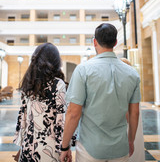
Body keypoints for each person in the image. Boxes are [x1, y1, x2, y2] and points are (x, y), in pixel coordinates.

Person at [60, 23, 141, 162]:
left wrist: (64, 146)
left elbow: (73, 113)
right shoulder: (132, 74)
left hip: (89, 149)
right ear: (115, 43)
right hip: (120, 147)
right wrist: (131, 140)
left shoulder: (83, 70)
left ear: (94, 42)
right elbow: (135, 112)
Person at [13, 42, 67, 162]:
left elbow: (23, 118)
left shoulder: (29, 84)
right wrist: (65, 147)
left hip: (28, 147)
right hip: (49, 149)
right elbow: (60, 122)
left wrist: (21, 145)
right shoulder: (58, 84)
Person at [120, 58, 145, 162]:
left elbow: (127, 111)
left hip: (127, 124)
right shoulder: (133, 81)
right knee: (136, 144)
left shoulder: (122, 84)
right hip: (136, 122)